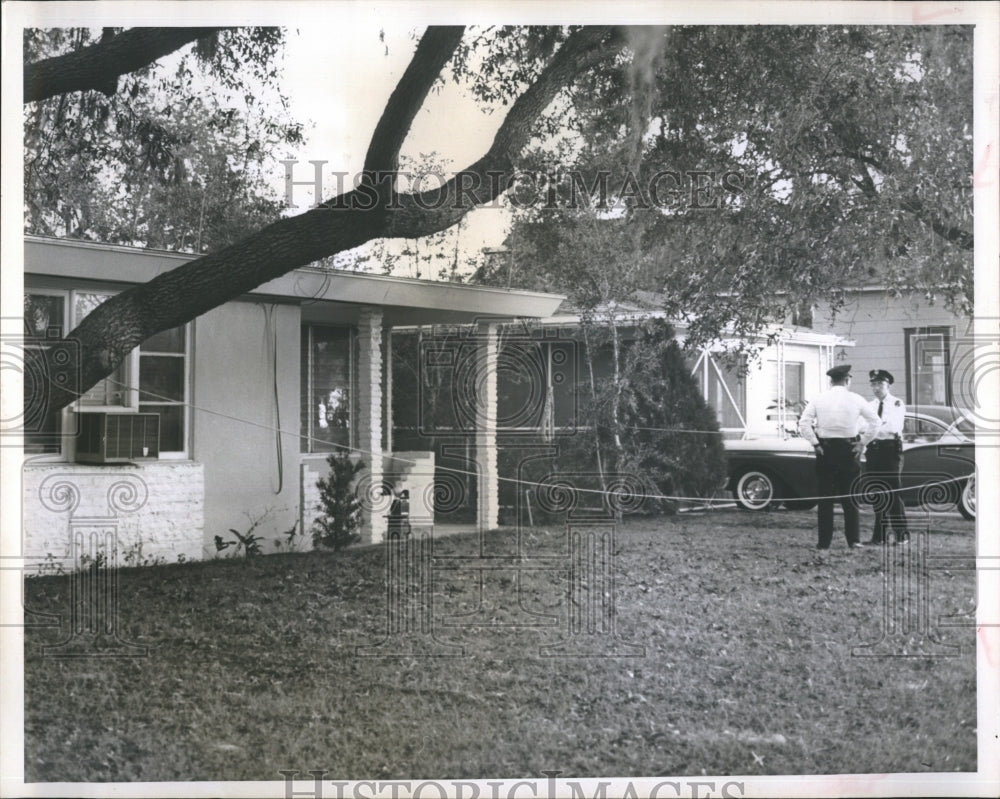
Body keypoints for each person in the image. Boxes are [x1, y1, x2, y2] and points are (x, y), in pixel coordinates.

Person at [798, 364, 879, 551]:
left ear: (831, 381)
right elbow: (876, 421)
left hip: (825, 450)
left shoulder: (819, 399)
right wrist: (863, 442)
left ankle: (824, 542)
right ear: (847, 380)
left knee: (825, 499)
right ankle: (854, 540)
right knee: (850, 497)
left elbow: (804, 423)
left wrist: (815, 443)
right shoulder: (856, 399)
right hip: (849, 449)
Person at [865, 369, 909, 544]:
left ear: (888, 385)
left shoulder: (897, 403)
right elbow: (861, 426)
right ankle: (879, 536)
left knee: (893, 492)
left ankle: (901, 535)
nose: (877, 388)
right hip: (874, 450)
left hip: (890, 450)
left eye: (880, 384)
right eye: (873, 384)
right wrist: (877, 427)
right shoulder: (870, 405)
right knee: (877, 493)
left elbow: (893, 427)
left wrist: (873, 428)